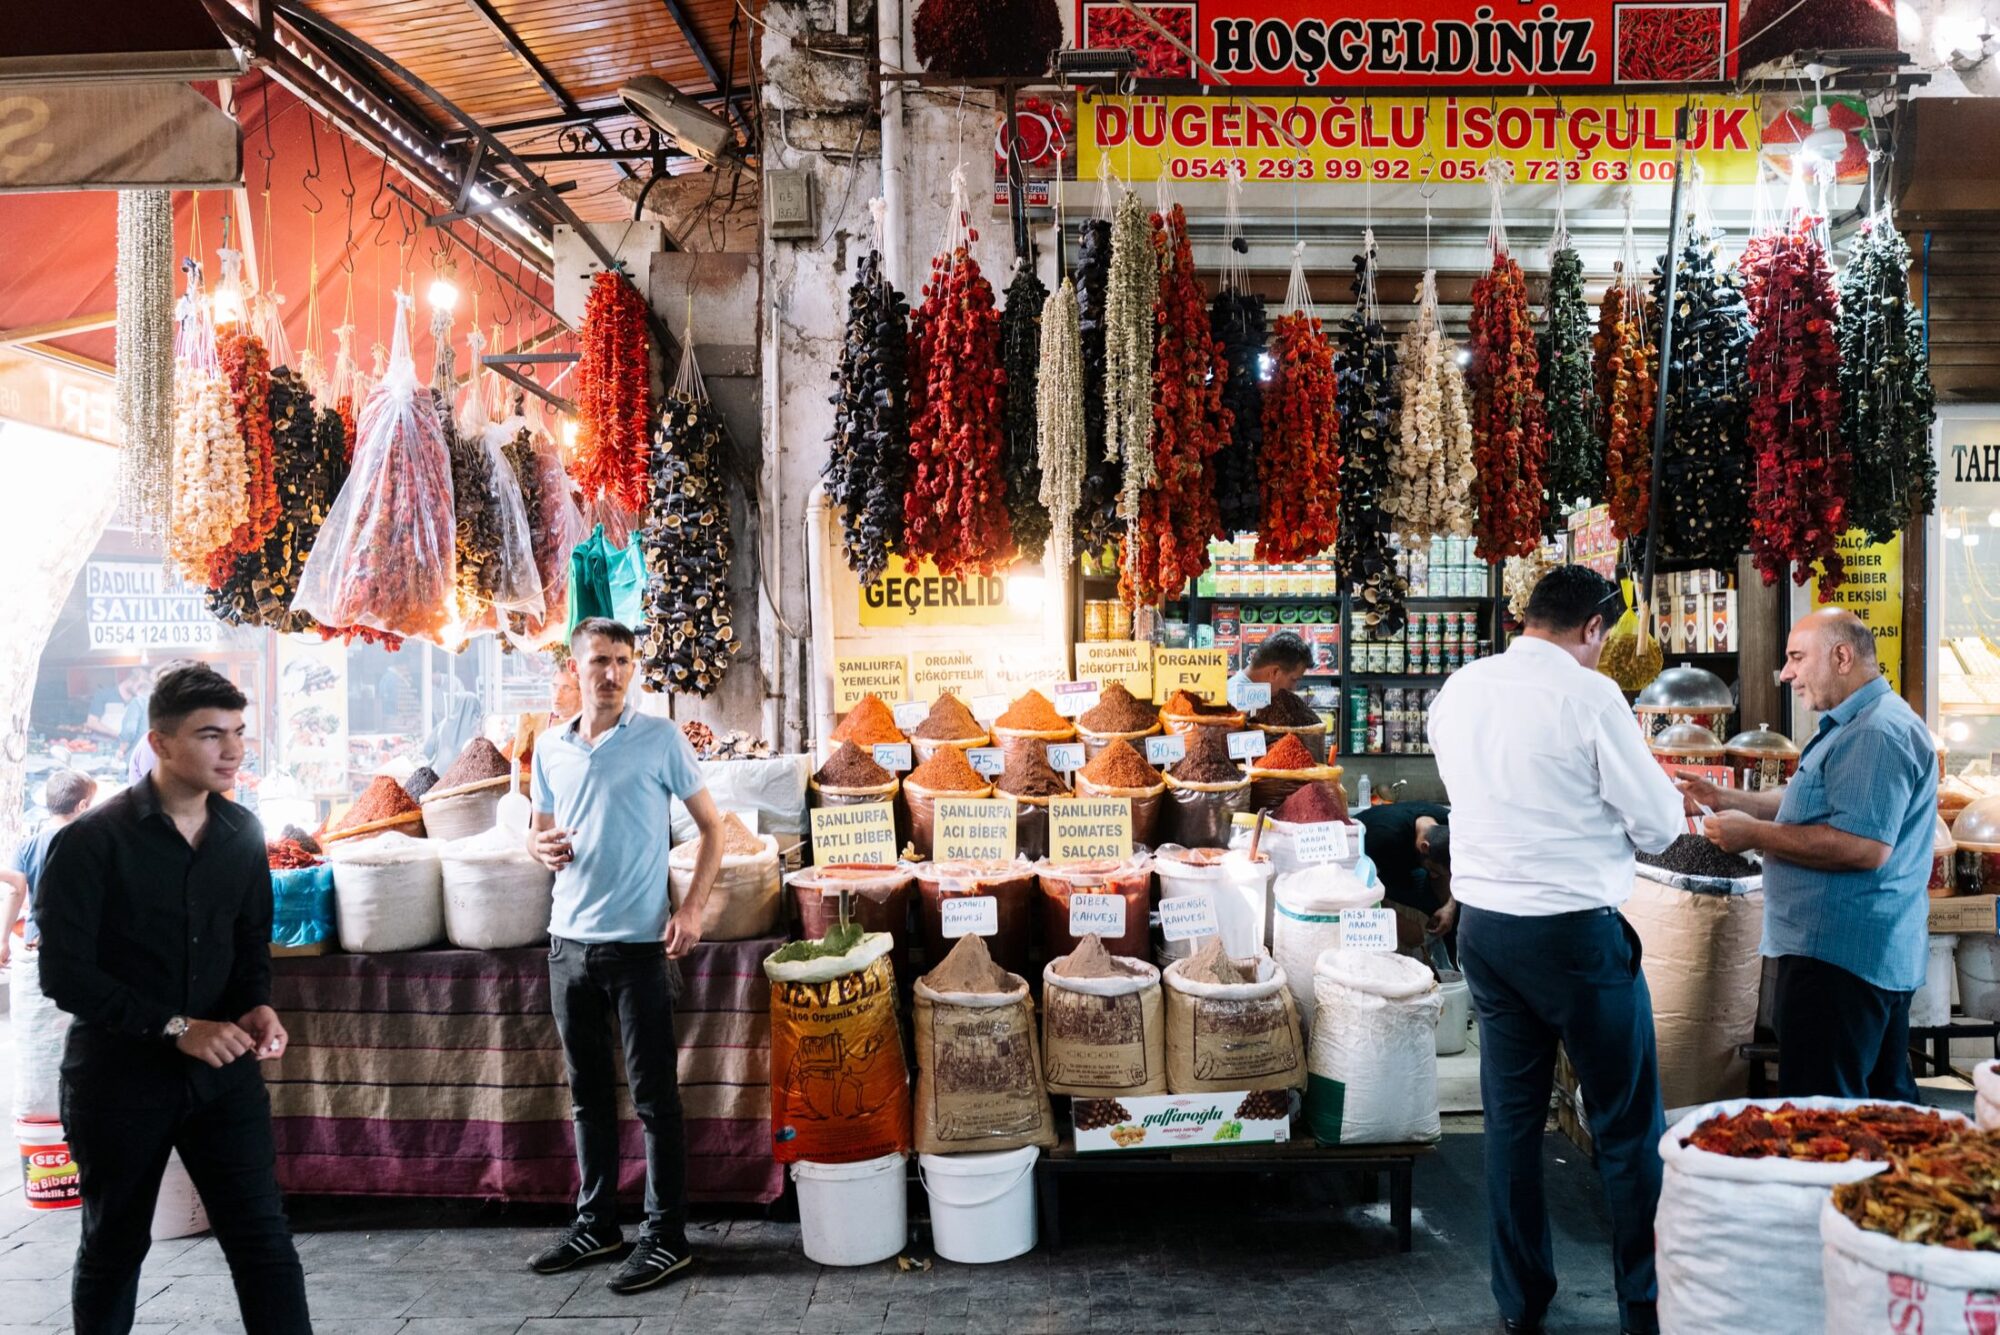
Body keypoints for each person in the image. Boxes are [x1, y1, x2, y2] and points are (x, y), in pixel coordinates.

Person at [1427, 565, 1683, 1335]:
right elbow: (1660, 824)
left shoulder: (1461, 689)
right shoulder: (1591, 695)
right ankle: (1644, 1303)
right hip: (1573, 935)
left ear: (1528, 616)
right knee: (1626, 1124)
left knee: (1511, 1120)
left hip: (1487, 930)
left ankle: (1520, 1297)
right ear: (1593, 628)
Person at [37, 664, 309, 1335]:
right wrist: (177, 1026)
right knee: (115, 1243)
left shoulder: (242, 832)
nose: (233, 749)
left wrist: (257, 1004)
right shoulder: (90, 842)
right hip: (119, 1078)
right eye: (211, 734)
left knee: (263, 1240)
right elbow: (64, 975)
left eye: (238, 732)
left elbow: (249, 945)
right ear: (159, 742)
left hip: (222, 1077)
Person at [526, 618, 727, 1294]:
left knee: (653, 1099)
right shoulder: (549, 747)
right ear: (574, 668)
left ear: (633, 668)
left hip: (640, 947)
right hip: (567, 945)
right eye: (598, 661)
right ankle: (597, 1224)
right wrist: (538, 846)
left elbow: (713, 828)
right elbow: (538, 830)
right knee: (586, 1095)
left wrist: (691, 909)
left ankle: (666, 1236)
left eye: (622, 661)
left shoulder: (659, 739)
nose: (611, 673)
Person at [1682, 609, 1937, 1101]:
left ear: (1842, 657)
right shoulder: (1852, 723)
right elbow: (1809, 803)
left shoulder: (1874, 733)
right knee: (1879, 1110)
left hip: (1841, 961)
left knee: (1824, 1112)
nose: (1786, 674)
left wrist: (1754, 834)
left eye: (1797, 658)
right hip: (1852, 955)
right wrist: (1728, 799)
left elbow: (1863, 847)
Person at [1, 768, 99, 967]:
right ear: (82, 805)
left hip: (36, 941)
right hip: (82, 944)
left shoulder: (26, 846)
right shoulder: (94, 844)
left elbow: (16, 891)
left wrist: (3, 941)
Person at [1353, 799, 1457, 945]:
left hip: (1401, 861)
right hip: (1365, 867)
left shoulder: (1450, 822)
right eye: (1434, 871)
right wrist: (1396, 922)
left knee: (1455, 910)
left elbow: (1466, 874)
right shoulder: (1384, 838)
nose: (1434, 875)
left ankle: (1448, 953)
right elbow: (1358, 884)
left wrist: (1450, 907)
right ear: (1424, 847)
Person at [1227, 631, 1314, 700]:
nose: (1294, 688)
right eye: (1293, 679)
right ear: (1274, 672)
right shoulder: (1237, 705)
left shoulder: (1255, 696)